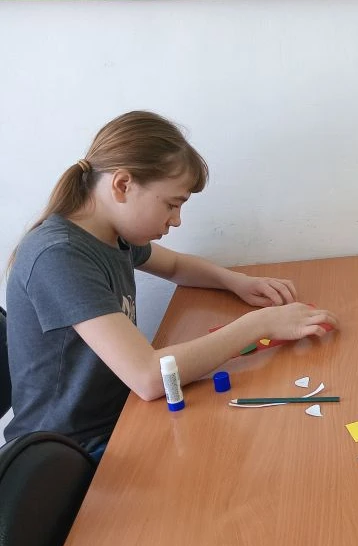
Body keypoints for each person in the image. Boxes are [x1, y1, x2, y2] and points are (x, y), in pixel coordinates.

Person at [4, 111, 339, 460]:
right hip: (71, 452)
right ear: (122, 185)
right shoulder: (59, 256)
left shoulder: (112, 234)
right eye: (171, 204)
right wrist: (262, 324)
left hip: (124, 413)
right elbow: (148, 376)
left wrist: (237, 282)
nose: (176, 220)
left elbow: (177, 266)